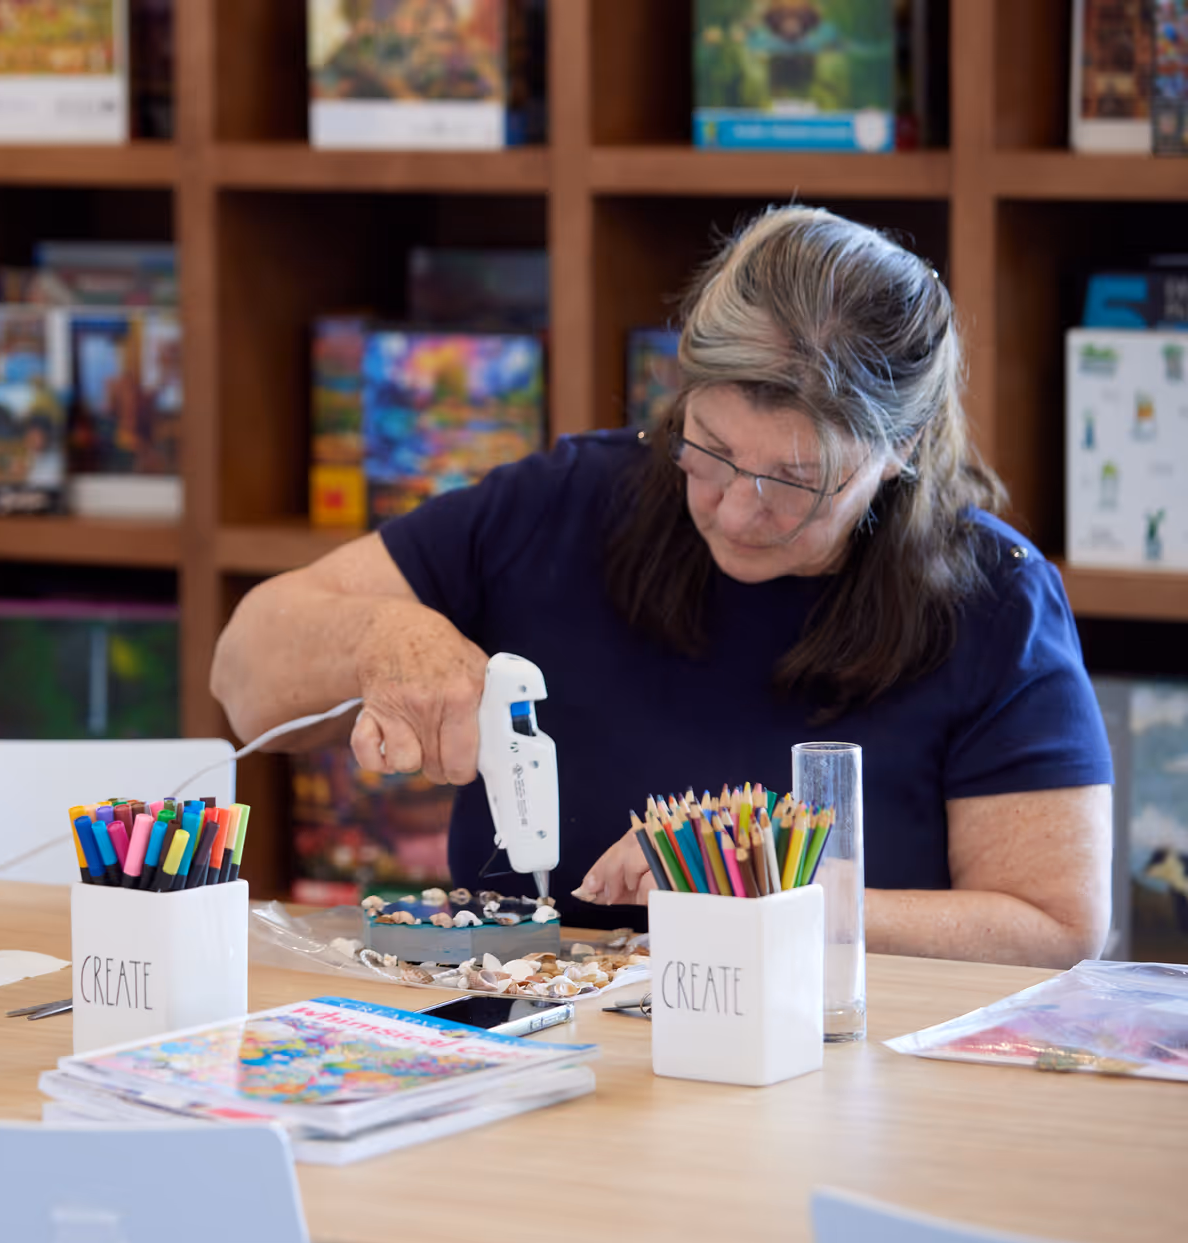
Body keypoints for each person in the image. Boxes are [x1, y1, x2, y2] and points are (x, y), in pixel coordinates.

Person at [212, 206, 1111, 968]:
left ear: (899, 452)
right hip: (534, 1054)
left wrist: (755, 892)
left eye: (797, 481)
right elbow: (243, 676)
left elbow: (1055, 928)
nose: (736, 511)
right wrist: (381, 641)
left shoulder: (993, 597)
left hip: (828, 1070)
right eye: (710, 450)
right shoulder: (565, 503)